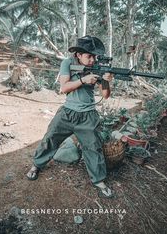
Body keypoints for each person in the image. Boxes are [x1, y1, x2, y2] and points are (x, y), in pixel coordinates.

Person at [27, 35, 114, 198]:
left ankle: (99, 180)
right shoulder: (67, 63)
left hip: (88, 115)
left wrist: (107, 80)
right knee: (50, 138)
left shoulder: (98, 66)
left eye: (95, 56)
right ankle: (37, 164)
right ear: (78, 55)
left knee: (93, 147)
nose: (93, 60)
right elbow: (64, 88)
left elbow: (106, 95)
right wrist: (83, 79)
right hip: (67, 112)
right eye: (89, 56)